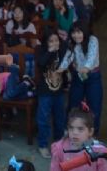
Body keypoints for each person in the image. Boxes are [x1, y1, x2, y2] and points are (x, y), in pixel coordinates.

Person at [36, 30, 69, 159]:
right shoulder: (41, 50)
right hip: (45, 91)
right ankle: (43, 145)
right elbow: (41, 63)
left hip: (59, 90)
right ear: (46, 42)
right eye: (51, 41)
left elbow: (69, 52)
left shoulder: (62, 50)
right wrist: (50, 52)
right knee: (43, 119)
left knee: (60, 118)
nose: (55, 43)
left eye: (56, 40)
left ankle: (58, 144)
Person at [68, 23, 103, 134]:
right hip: (78, 76)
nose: (76, 35)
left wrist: (86, 68)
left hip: (93, 77)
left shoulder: (93, 40)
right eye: (73, 32)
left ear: (85, 31)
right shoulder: (72, 43)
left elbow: (92, 57)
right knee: (73, 106)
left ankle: (92, 135)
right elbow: (68, 58)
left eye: (79, 32)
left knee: (94, 108)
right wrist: (61, 68)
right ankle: (72, 133)